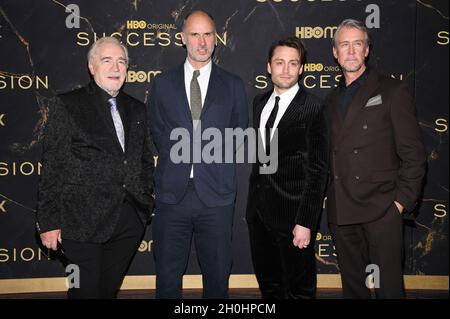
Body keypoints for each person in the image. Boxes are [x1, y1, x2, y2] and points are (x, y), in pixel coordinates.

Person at [36, 36, 154, 299]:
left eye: (121, 62)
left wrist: (144, 203)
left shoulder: (137, 109)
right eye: (107, 61)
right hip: (81, 222)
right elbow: (53, 166)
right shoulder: (67, 105)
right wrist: (49, 222)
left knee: (107, 292)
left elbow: (144, 160)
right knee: (84, 292)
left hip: (128, 221)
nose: (115, 68)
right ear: (92, 66)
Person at [148, 10, 248, 299]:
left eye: (208, 34)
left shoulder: (232, 85)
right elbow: (156, 131)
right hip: (171, 195)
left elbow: (239, 133)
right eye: (195, 34)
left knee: (217, 278)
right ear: (182, 38)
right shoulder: (162, 84)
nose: (202, 42)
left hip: (217, 195)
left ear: (215, 39)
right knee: (167, 277)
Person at [324, 19, 426, 298]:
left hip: (382, 209)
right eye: (344, 44)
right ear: (335, 52)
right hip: (342, 210)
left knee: (389, 290)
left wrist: (400, 203)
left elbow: (414, 155)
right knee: (353, 289)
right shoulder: (329, 101)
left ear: (367, 50)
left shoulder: (393, 91)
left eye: (358, 44)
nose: (351, 51)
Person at [246, 37, 328, 299]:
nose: (286, 69)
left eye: (293, 63)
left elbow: (318, 170)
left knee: (299, 290)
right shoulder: (260, 103)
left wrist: (305, 221)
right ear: (268, 67)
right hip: (259, 214)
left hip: (294, 216)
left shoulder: (314, 108)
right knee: (269, 286)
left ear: (302, 68)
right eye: (279, 62)